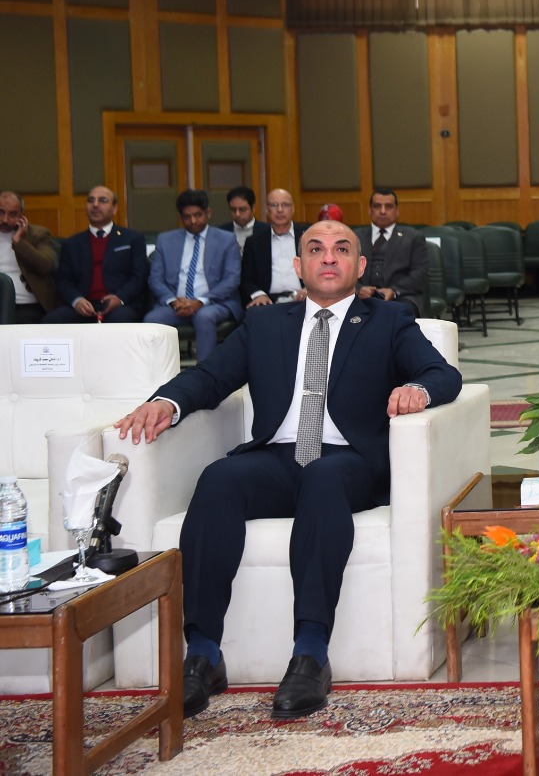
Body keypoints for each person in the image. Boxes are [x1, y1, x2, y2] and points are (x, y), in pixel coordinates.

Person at [114, 220, 463, 720]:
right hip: (277, 458)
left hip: (348, 461)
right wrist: (166, 403)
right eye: (316, 249)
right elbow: (210, 377)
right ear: (298, 266)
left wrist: (418, 391)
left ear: (360, 266)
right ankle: (203, 654)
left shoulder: (389, 320)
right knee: (219, 478)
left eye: (341, 249)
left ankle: (310, 654)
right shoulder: (265, 324)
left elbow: (442, 374)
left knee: (323, 478)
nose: (329, 257)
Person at [144, 190, 243, 360]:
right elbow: (155, 279)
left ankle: (205, 372)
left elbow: (232, 279)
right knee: (151, 319)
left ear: (208, 213)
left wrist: (199, 302)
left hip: (214, 303)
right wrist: (174, 301)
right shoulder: (165, 240)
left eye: (198, 215)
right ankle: (159, 371)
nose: (193, 221)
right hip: (176, 305)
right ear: (180, 217)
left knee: (204, 316)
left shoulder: (226, 240)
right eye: (187, 217)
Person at [45, 186, 147, 323]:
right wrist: (76, 300)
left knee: (120, 321)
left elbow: (138, 277)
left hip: (121, 305)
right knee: (51, 321)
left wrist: (120, 298)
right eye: (91, 200)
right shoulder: (72, 243)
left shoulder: (132, 239)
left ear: (115, 208)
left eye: (103, 200)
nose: (95, 205)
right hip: (84, 305)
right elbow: (64, 281)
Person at [358, 188, 428, 316]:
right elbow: (344, 272)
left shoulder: (413, 237)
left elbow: (419, 275)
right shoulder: (355, 237)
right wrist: (358, 289)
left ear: (397, 211)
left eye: (388, 206)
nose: (382, 211)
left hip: (402, 296)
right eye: (377, 206)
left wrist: (394, 291)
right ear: (369, 210)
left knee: (400, 312)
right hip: (362, 297)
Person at [242, 189, 308, 306]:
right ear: (267, 210)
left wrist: (310, 289)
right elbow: (246, 279)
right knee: (254, 314)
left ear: (293, 209)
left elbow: (322, 269)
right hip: (269, 301)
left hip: (304, 298)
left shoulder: (308, 236)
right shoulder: (254, 242)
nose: (280, 210)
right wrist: (259, 295)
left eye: (285, 205)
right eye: (274, 205)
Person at [0, 190, 59, 322]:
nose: (5, 220)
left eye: (12, 214)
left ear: (21, 216)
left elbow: (45, 266)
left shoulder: (38, 234)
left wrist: (19, 242)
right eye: (1, 212)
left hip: (26, 304)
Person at [227, 186, 260, 254]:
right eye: (233, 210)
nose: (237, 214)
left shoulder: (267, 231)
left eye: (242, 209)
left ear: (253, 208)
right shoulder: (221, 232)